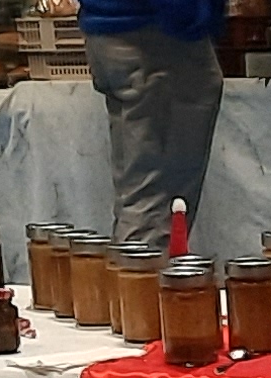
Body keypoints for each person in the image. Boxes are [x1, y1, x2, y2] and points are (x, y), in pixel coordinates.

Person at [81, 0, 222, 255]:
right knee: (153, 212)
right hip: (156, 30)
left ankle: (133, 274)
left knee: (140, 200)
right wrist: (187, 15)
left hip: (117, 25)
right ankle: (140, 279)